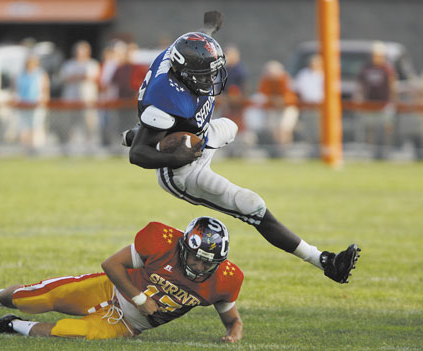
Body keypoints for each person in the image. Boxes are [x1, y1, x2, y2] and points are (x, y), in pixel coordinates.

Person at [122, 32, 361, 285]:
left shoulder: (176, 57)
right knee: (252, 206)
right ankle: (325, 262)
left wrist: (208, 31)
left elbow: (191, 45)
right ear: (185, 73)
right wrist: (175, 156)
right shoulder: (165, 98)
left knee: (231, 127)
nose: (211, 78)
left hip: (200, 138)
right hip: (182, 169)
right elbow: (137, 155)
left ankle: (134, 133)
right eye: (205, 74)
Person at [0, 216, 244, 343]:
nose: (201, 266)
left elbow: (232, 320)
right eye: (197, 257)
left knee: (68, 333)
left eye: (210, 262)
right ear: (183, 247)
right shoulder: (160, 240)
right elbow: (111, 264)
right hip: (110, 287)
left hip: (127, 325)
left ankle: (9, 324)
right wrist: (140, 299)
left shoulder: (225, 280)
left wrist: (234, 333)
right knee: (35, 297)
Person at [354, 41, 397, 159]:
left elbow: (392, 84)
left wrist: (393, 100)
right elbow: (360, 84)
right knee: (370, 128)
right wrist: (359, 97)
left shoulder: (387, 68)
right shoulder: (366, 67)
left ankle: (385, 152)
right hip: (369, 104)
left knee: (385, 129)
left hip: (383, 103)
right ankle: (371, 152)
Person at [56, 41, 100, 154]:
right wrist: (79, 76)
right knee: (69, 124)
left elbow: (92, 77)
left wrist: (76, 77)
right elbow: (64, 78)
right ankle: (69, 146)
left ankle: (90, 146)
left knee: (89, 124)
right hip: (71, 100)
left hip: (87, 100)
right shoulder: (68, 64)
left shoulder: (92, 64)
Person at [256, 60, 299, 155]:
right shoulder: (266, 80)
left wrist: (280, 101)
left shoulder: (284, 79)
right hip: (274, 108)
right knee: (275, 130)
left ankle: (286, 150)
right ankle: (278, 150)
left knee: (284, 129)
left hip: (287, 108)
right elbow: (264, 94)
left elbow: (290, 97)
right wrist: (274, 100)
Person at [14, 54, 50, 153]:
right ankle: (25, 148)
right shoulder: (20, 74)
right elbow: (15, 90)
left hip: (36, 106)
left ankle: (35, 149)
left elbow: (45, 91)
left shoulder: (41, 74)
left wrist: (43, 102)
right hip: (23, 105)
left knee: (36, 127)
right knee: (24, 128)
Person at [293, 55, 324, 156]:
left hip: (320, 107)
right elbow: (297, 89)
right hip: (307, 106)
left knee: (319, 128)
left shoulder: (324, 74)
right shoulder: (304, 74)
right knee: (308, 128)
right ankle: (311, 150)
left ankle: (320, 149)